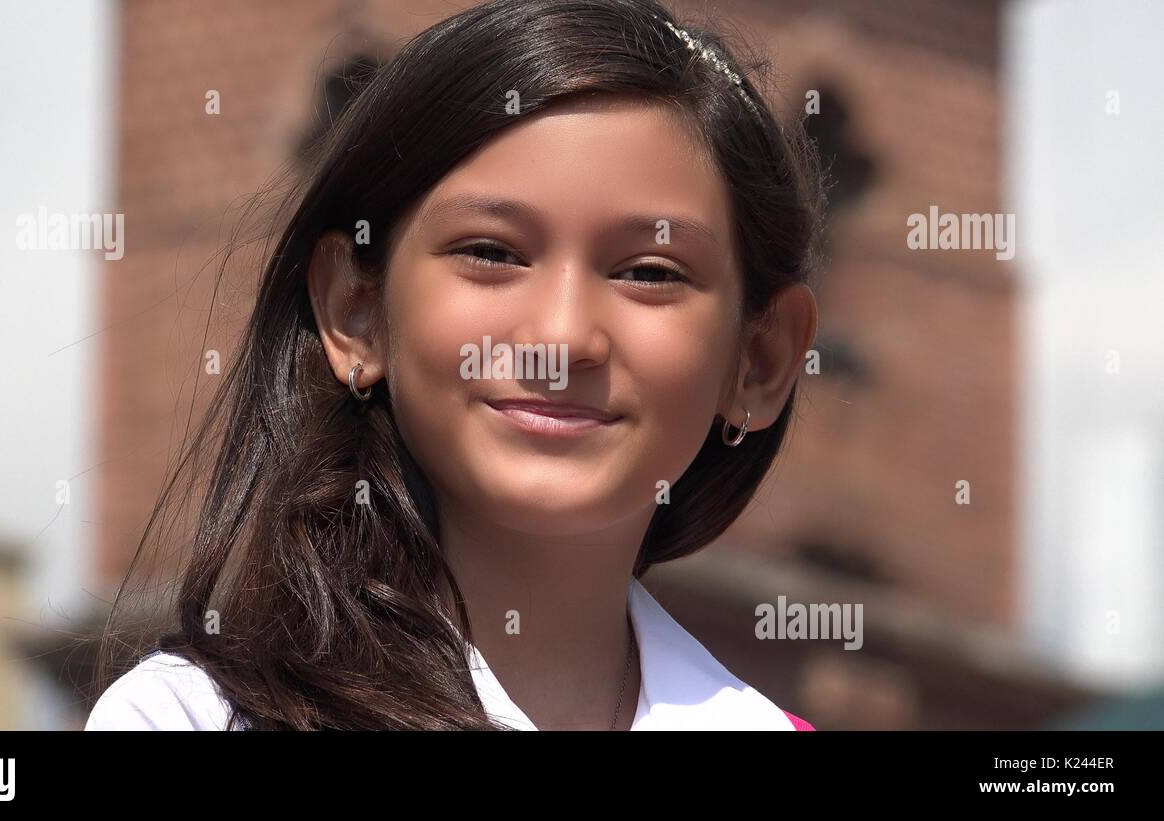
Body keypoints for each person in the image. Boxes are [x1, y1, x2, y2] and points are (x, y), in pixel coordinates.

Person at [88, 0, 823, 731]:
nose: (562, 338)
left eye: (650, 271)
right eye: (491, 252)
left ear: (760, 360)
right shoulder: (191, 719)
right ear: (355, 310)